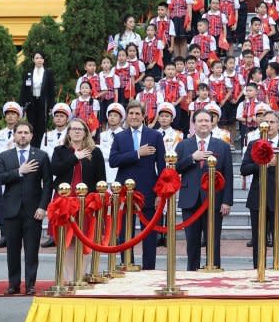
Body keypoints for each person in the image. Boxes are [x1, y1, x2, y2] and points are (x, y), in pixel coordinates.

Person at [109, 100, 166, 270]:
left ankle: (149, 269)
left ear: (143, 116)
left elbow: (162, 167)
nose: (134, 117)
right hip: (125, 192)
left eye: (137, 114)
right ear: (127, 116)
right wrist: (137, 153)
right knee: (125, 233)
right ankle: (127, 265)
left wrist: (160, 193)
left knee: (149, 234)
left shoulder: (155, 136)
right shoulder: (119, 137)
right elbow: (113, 161)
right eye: (131, 113)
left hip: (148, 190)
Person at [0, 121, 52, 295]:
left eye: (26, 132)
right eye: (19, 132)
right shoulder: (4, 156)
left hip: (33, 211)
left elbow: (48, 184)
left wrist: (43, 207)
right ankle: (13, 284)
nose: (22, 135)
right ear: (14, 136)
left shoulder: (41, 156)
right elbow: (0, 178)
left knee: (31, 250)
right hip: (11, 210)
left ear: (31, 135)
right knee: (12, 251)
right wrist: (19, 171)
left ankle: (30, 285)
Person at [175, 108, 234, 270]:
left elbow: (228, 174)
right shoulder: (183, 146)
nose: (203, 124)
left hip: (214, 200)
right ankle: (192, 274)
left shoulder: (222, 146)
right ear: (194, 124)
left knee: (213, 241)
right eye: (200, 120)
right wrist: (192, 159)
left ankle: (213, 272)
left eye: (206, 121)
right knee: (192, 243)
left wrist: (227, 201)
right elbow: (174, 170)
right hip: (190, 200)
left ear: (212, 123)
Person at [50, 117, 107, 280]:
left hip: (86, 202)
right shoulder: (60, 150)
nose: (76, 131)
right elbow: (56, 170)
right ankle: (69, 278)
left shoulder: (95, 152)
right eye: (72, 129)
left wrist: (99, 202)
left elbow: (100, 178)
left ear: (85, 132)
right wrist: (76, 157)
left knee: (85, 239)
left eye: (79, 129)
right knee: (67, 240)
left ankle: (80, 276)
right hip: (65, 202)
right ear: (68, 133)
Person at [240, 109, 279, 265]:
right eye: (266, 122)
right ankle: (258, 270)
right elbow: (244, 169)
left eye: (272, 122)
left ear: (278, 125)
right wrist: (262, 164)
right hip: (258, 198)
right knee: (258, 239)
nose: (269, 125)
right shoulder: (254, 144)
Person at [19, 51, 55, 147]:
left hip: (43, 103)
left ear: (43, 60)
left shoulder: (48, 73)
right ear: (33, 60)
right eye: (37, 58)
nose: (39, 60)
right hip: (32, 102)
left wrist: (52, 106)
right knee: (31, 125)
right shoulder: (28, 73)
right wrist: (22, 104)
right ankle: (31, 146)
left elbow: (51, 90)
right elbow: (24, 89)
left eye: (41, 58)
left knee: (42, 126)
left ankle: (41, 147)